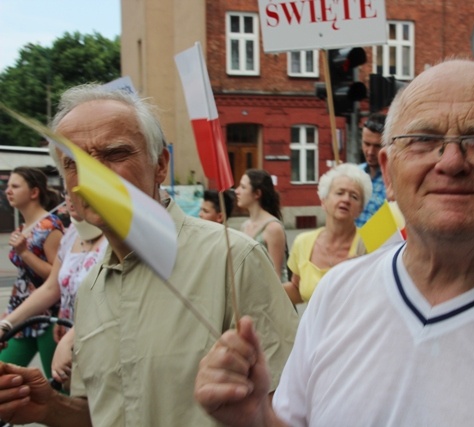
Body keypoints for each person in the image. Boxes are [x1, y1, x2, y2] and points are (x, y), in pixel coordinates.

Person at [194, 59, 474, 426]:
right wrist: (253, 415)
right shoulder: (338, 295)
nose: (450, 161)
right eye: (423, 140)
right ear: (387, 172)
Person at [0, 84, 298, 427]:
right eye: (74, 162)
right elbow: (104, 414)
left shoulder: (234, 259)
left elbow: (289, 407)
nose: (93, 174)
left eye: (114, 154)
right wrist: (50, 407)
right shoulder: (91, 289)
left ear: (160, 165)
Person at [0, 190, 108, 389]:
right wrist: (6, 323)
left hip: (101, 345)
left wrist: (70, 339)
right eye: (66, 192)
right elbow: (52, 287)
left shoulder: (114, 239)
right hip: (70, 342)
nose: (71, 198)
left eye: (79, 191)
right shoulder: (72, 234)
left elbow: (111, 300)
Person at [2, 166, 64, 380]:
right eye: (8, 186)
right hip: (23, 317)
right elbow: (23, 278)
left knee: (58, 382)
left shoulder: (49, 226)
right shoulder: (22, 229)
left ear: (34, 192)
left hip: (47, 317)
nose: (8, 191)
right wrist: (11, 314)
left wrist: (24, 252)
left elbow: (55, 276)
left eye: (15, 186)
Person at [283, 164, 370, 304]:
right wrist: (265, 292)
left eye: (354, 196)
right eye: (339, 193)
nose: (346, 200)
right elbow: (296, 289)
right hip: (314, 326)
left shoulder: (370, 244)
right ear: (324, 201)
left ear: (360, 209)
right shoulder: (302, 242)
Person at [236, 169, 288, 282]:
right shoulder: (244, 226)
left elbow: (275, 276)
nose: (237, 191)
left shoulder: (273, 228)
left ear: (257, 194)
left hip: (267, 295)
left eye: (243, 187)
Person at [354, 113, 386, 227]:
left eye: (377, 146)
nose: (370, 152)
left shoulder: (395, 182)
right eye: (366, 144)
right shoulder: (354, 174)